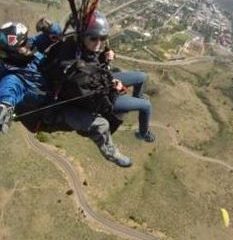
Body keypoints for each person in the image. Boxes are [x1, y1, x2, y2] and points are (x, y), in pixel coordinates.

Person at [43, 11, 155, 167]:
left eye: (102, 38)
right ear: (83, 36)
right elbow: (97, 103)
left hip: (103, 81)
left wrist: (104, 58)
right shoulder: (77, 71)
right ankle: (143, 133)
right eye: (94, 38)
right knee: (146, 106)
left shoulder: (78, 45)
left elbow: (94, 64)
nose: (99, 43)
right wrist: (117, 89)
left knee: (142, 77)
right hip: (102, 99)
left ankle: (136, 100)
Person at [0, 22, 48, 133]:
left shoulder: (30, 48)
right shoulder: (10, 71)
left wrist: (51, 28)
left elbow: (47, 38)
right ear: (12, 53)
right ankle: (4, 110)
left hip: (57, 89)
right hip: (40, 107)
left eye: (26, 40)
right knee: (11, 81)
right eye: (23, 44)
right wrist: (5, 104)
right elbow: (9, 87)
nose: (28, 44)